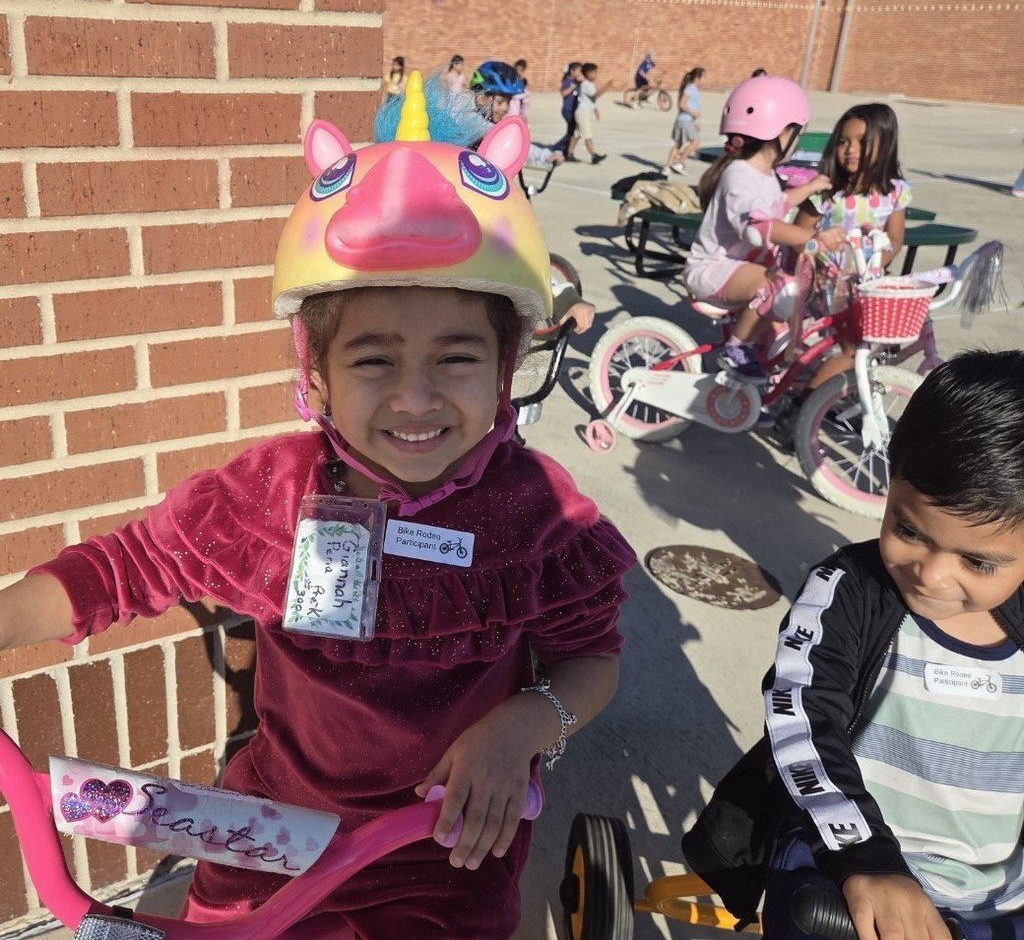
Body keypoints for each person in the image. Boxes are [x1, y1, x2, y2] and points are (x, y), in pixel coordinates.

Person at [0, 71, 635, 939]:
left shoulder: (537, 515)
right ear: (318, 375)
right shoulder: (272, 494)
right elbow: (124, 566)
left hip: (440, 848)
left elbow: (589, 659)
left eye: (455, 358)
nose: (415, 400)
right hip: (265, 834)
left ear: (505, 365)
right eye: (374, 360)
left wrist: (525, 721)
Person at [682, 348, 1024, 940]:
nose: (931, 574)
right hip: (843, 859)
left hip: (999, 892)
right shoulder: (849, 592)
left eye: (976, 560)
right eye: (908, 528)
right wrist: (868, 862)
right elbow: (800, 718)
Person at [683, 76, 844, 379]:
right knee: (780, 285)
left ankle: (755, 384)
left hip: (736, 268)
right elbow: (757, 229)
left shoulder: (765, 174)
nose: (797, 139)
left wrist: (809, 188)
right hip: (711, 270)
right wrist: (813, 238)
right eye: (797, 131)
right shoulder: (738, 175)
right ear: (781, 131)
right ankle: (736, 349)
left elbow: (776, 205)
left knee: (792, 292)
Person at [792, 103, 912, 390]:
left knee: (861, 347)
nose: (850, 149)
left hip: (866, 283)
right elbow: (796, 235)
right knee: (853, 349)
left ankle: (822, 395)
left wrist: (879, 259)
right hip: (828, 286)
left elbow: (895, 238)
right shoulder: (827, 191)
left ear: (885, 144)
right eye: (844, 141)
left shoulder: (893, 192)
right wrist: (815, 253)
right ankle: (803, 404)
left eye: (862, 141)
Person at [469, 60, 564, 167]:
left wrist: (547, 155)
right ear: (482, 97)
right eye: (500, 102)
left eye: (508, 101)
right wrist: (544, 155)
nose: (505, 108)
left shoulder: (488, 123)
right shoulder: (471, 122)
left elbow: (515, 146)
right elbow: (511, 144)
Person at [663, 66, 705, 175]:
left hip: (684, 120)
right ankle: (679, 162)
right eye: (704, 77)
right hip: (685, 120)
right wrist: (694, 113)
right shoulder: (691, 89)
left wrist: (695, 122)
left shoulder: (691, 89)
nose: (705, 80)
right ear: (698, 78)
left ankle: (667, 167)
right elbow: (682, 104)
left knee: (678, 144)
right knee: (695, 142)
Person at [574, 62, 609, 165]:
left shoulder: (589, 84)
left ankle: (569, 153)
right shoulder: (586, 85)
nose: (596, 75)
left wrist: (596, 110)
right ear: (588, 73)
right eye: (594, 72)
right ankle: (594, 155)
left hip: (583, 112)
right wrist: (607, 87)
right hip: (583, 114)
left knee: (577, 134)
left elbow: (590, 101)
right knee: (587, 135)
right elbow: (594, 96)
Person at [558, 61, 583, 159]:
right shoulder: (568, 81)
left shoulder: (577, 81)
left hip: (574, 110)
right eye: (578, 71)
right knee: (572, 132)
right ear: (572, 71)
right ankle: (562, 148)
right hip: (568, 110)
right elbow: (563, 93)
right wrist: (571, 88)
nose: (579, 73)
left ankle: (564, 149)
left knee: (571, 131)